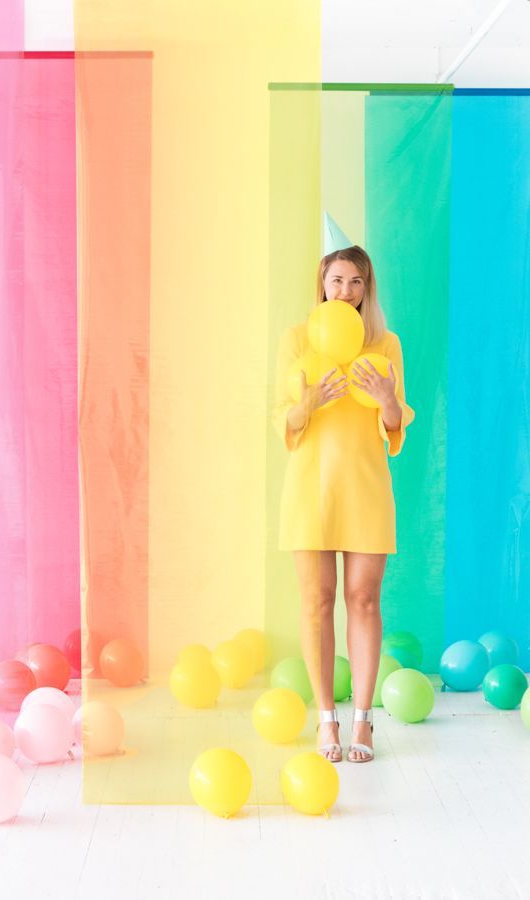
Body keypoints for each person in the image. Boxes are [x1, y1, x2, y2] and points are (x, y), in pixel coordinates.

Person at [272, 245, 415, 763]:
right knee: (316, 602)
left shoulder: (385, 344)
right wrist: (308, 404)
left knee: (364, 599)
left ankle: (362, 721)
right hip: (311, 489)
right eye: (337, 280)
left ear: (367, 288)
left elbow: (396, 425)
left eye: (357, 282)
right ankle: (326, 722)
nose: (346, 291)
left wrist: (388, 400)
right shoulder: (297, 341)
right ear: (322, 284)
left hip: (366, 487)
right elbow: (281, 420)